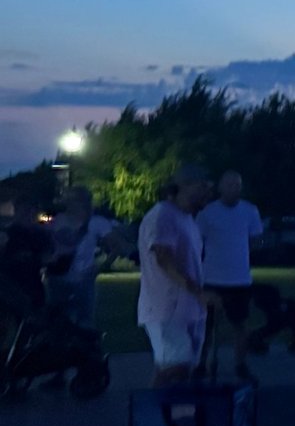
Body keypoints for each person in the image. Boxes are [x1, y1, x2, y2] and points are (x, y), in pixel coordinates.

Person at [137, 164, 219, 388]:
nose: (208, 193)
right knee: (175, 370)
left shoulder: (188, 219)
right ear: (186, 186)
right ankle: (159, 418)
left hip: (188, 309)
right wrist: (198, 292)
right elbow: (163, 259)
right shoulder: (164, 215)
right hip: (166, 309)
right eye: (204, 187)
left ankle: (176, 417)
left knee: (177, 370)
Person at [197, 171, 265, 381]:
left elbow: (257, 239)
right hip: (212, 278)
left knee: (240, 324)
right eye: (229, 185)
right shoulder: (207, 213)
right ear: (220, 188)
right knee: (206, 326)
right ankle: (200, 364)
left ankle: (240, 364)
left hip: (239, 279)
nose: (233, 189)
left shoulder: (250, 211)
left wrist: (247, 248)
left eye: (237, 185)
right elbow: (197, 242)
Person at [46, 188, 123, 329]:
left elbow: (116, 245)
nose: (70, 203)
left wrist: (101, 267)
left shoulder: (96, 222)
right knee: (59, 321)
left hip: (84, 278)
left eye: (74, 200)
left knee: (85, 321)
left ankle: (85, 348)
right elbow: (58, 242)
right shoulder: (60, 220)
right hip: (59, 277)